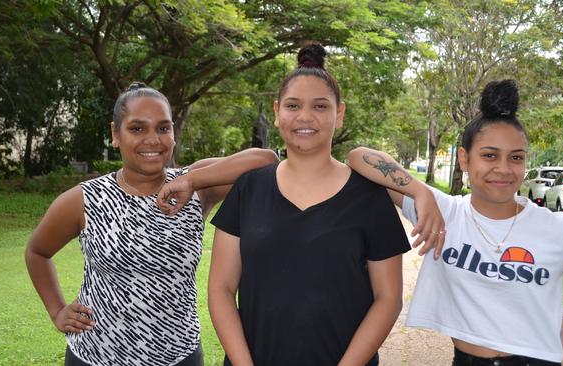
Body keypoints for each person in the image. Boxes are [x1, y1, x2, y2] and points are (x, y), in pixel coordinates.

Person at [183, 44, 444, 366]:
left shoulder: (369, 195)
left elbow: (388, 299)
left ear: (340, 113)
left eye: (320, 106)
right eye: (293, 105)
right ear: (277, 111)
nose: (305, 117)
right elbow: (221, 289)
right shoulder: (249, 188)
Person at [347, 79, 563, 366]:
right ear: (464, 158)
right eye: (489, 155)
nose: (503, 169)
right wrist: (419, 191)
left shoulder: (557, 229)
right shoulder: (442, 211)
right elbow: (359, 158)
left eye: (516, 158)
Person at [25, 82, 278, 366]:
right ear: (115, 134)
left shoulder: (194, 185)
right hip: (96, 356)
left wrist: (191, 180)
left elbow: (266, 162)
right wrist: (57, 309)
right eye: (137, 128)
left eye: (163, 128)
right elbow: (37, 252)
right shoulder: (84, 199)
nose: (152, 139)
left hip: (179, 355)